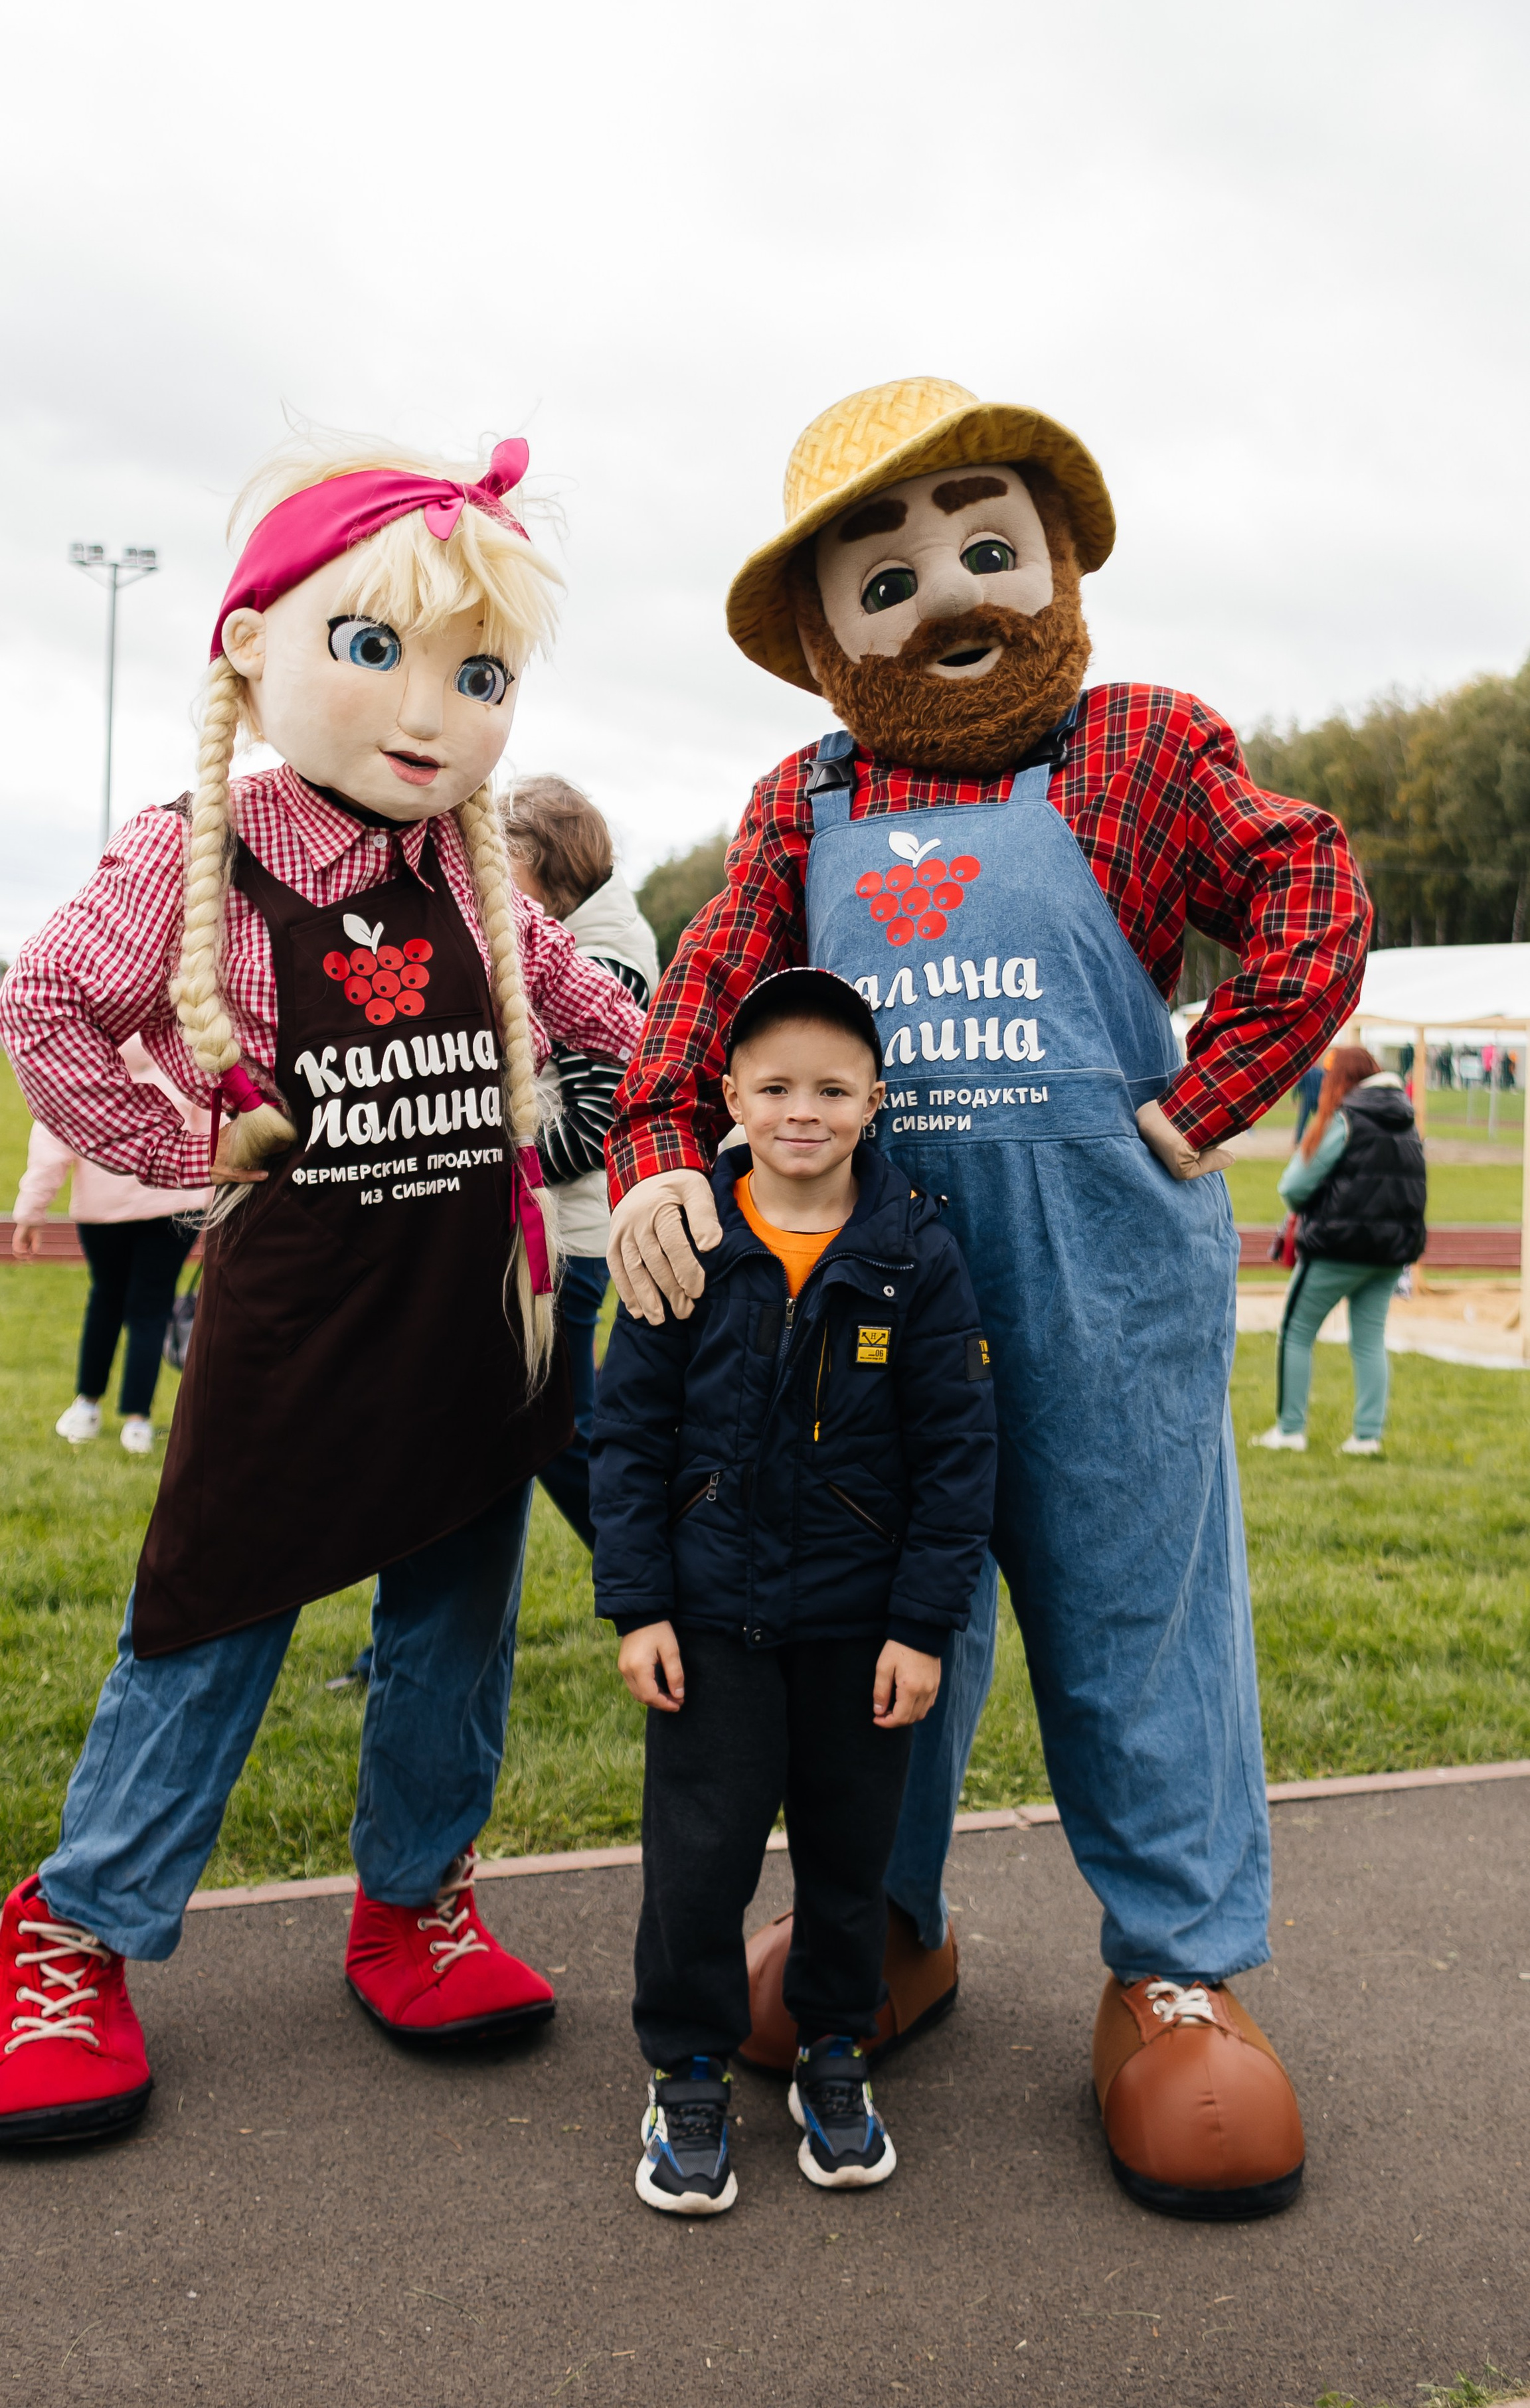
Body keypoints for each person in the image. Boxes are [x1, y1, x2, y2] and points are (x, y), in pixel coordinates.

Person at [606, 376, 1371, 2219]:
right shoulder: (808, 798)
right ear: (820, 637)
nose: (947, 599)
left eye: (982, 548)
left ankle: (1177, 1967)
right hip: (863, 1325)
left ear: (1055, 557)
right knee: (880, 1639)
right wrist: (649, 1152)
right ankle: (889, 1928)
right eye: (886, 579)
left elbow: (1310, 883)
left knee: (1137, 1622)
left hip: (1104, 1299)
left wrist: (1211, 1093)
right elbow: (709, 993)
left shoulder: (1141, 749)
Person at [0, 430, 645, 2150]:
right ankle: (78, 1939)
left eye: (479, 675)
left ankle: (416, 1906)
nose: (431, 709)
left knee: (455, 1639)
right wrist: (192, 1148)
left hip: (478, 1323)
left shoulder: (478, 873)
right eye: (377, 650)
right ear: (260, 651)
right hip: (296, 1323)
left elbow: (620, 1032)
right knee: (207, 1619)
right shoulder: (207, 849)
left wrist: (725, 1106)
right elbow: (48, 1009)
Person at [592, 969, 995, 2213]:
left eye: (832, 1088)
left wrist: (921, 1629)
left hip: (857, 1632)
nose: (803, 1111)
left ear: (876, 1100)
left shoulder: (918, 1255)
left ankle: (834, 2051)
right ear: (731, 1099)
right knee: (700, 1863)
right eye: (776, 1087)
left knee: (845, 1861)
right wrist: (640, 1605)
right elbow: (626, 1436)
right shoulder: (689, 1245)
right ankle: (691, 2074)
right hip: (710, 1626)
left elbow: (959, 1456)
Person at [503, 773, 659, 1550]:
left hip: (564, 1233)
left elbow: (596, 1120)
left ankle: (660, 1590)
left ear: (547, 864)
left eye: (507, 865)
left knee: (559, 1428)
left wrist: (497, 1171)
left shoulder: (599, 959)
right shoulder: (593, 937)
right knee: (533, 1426)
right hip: (556, 1225)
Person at [13, 1037, 211, 1456]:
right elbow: (210, 1129)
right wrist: (215, 1202)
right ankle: (137, 1423)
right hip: (175, 1204)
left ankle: (87, 1407)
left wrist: (31, 1213)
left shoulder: (79, 1068)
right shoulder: (183, 1058)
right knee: (152, 1309)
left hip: (103, 1209)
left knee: (106, 1299)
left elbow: (51, 1143)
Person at [1255, 1045, 1425, 1457]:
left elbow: (1292, 1187)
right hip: (1390, 1255)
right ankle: (1367, 1438)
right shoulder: (1407, 1121)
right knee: (1369, 1341)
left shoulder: (1346, 1119)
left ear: (1342, 1080)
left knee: (1296, 1333)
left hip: (1336, 1248)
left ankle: (1290, 1430)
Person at [1290, 1059, 1326, 1144]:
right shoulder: (1321, 1073)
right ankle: (1319, 1139)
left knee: (1303, 1120)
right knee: (1319, 1120)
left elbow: (1298, 1085)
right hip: (1318, 1099)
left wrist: (1294, 1097)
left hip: (1307, 1099)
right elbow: (1325, 1086)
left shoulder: (1305, 1073)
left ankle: (1298, 1140)